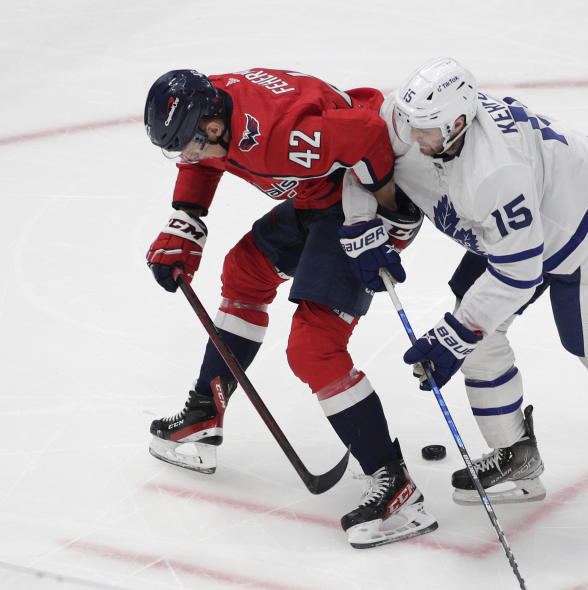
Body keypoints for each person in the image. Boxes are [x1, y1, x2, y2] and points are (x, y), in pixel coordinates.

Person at [340, 57, 588, 504]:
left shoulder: (494, 173)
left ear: (460, 122)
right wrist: (359, 222)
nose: (412, 137)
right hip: (517, 233)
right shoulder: (406, 120)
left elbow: (518, 272)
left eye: (426, 129)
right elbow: (361, 158)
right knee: (477, 334)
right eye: (410, 124)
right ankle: (515, 454)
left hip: (580, 227)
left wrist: (455, 334)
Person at [142, 67, 436, 547]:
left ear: (214, 127)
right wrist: (186, 220)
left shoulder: (282, 138)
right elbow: (202, 160)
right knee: (244, 272)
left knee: (313, 346)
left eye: (192, 144)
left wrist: (389, 213)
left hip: (354, 203)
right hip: (317, 195)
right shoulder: (211, 99)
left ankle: (395, 486)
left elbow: (367, 135)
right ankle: (203, 413)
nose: (188, 156)